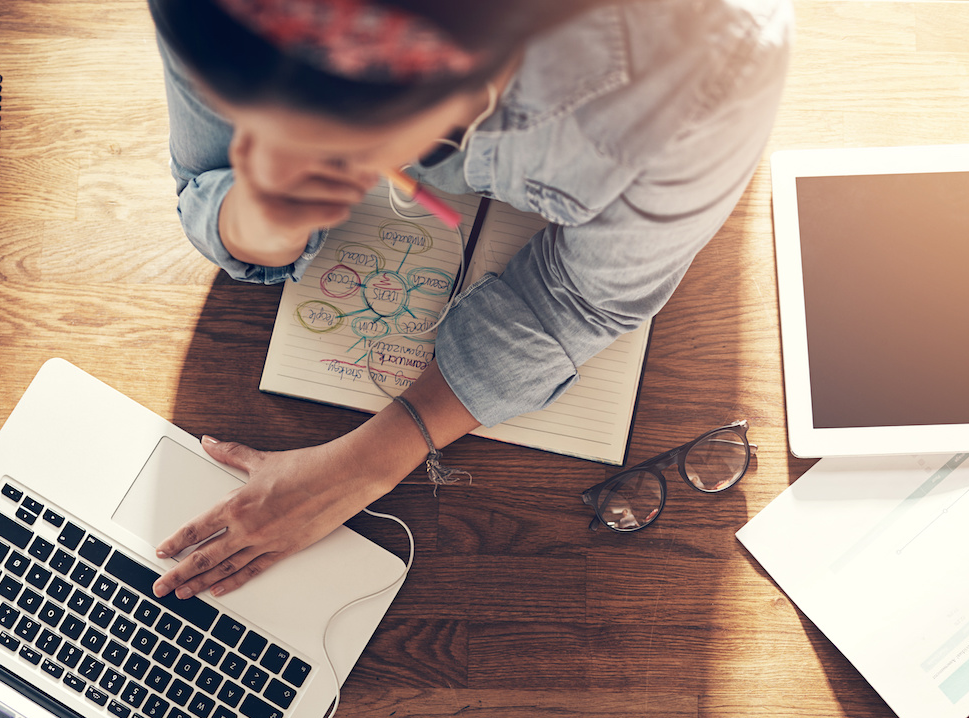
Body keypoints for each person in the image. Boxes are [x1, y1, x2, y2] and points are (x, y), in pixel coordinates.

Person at [147, 0, 793, 600]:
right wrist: (260, 215)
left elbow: (582, 300)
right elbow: (208, 179)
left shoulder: (714, 58)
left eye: (347, 142)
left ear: (475, 87)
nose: (288, 143)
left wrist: (362, 467)